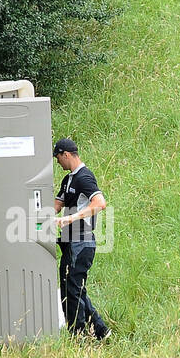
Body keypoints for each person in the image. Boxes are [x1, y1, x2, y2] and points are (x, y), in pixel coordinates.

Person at [52, 138, 110, 340]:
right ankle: (101, 330)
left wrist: (70, 218)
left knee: (72, 291)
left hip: (81, 241)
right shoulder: (68, 179)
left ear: (66, 155)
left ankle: (78, 334)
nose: (58, 163)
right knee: (75, 288)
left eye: (58, 158)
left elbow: (100, 203)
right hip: (70, 242)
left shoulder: (84, 177)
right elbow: (57, 205)